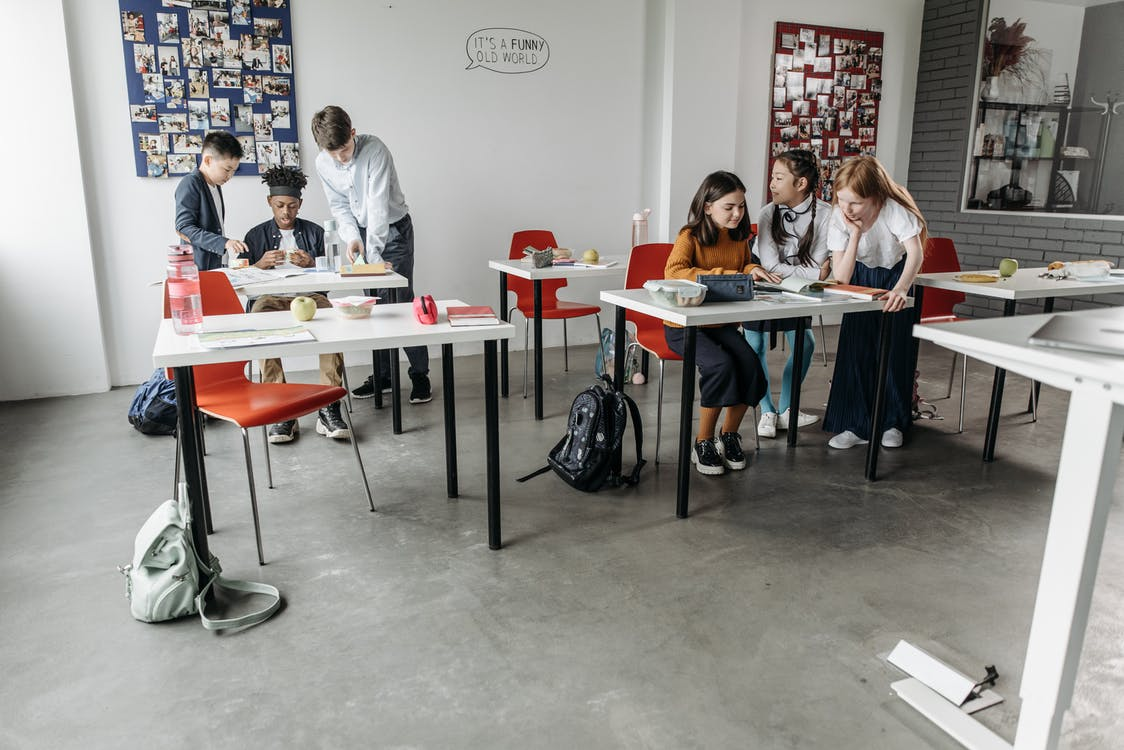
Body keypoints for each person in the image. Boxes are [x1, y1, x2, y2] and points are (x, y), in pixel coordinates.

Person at [311, 104, 431, 404]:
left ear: (353, 133)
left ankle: (419, 375)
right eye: (332, 152)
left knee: (401, 303)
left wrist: (375, 259)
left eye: (345, 148)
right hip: (363, 232)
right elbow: (339, 206)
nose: (340, 157)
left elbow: (377, 208)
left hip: (393, 230)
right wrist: (352, 238)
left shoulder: (375, 150)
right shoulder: (323, 163)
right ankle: (384, 377)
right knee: (371, 305)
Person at [664, 171, 779, 476]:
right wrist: (729, 276)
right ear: (707, 206)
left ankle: (729, 436)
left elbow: (743, 264)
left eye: (741, 206)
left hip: (722, 324)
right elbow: (674, 272)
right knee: (721, 366)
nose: (737, 213)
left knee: (751, 369)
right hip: (684, 326)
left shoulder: (740, 236)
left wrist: (753, 267)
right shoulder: (689, 235)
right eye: (729, 207)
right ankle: (703, 442)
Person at [236, 166, 351, 443]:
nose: (286, 212)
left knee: (332, 317)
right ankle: (282, 408)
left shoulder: (315, 232)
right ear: (269, 203)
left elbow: (334, 274)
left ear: (300, 204)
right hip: (270, 300)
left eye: (291, 206)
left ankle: (328, 405)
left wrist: (313, 263)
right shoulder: (255, 235)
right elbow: (243, 279)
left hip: (310, 297)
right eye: (279, 206)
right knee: (257, 317)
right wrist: (259, 265)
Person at [823, 156, 928, 450]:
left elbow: (915, 254)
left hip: (899, 275)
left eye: (855, 202)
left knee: (894, 353)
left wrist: (901, 289)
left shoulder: (893, 209)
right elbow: (841, 276)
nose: (847, 208)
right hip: (861, 277)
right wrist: (855, 233)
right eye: (842, 199)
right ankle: (856, 424)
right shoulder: (839, 216)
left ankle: (892, 422)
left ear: (875, 197)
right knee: (857, 349)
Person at [746, 150, 832, 438]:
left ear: (801, 183)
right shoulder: (768, 212)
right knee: (754, 345)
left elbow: (818, 265)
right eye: (772, 177)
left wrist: (809, 273)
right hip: (761, 280)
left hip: (798, 289)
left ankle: (786, 410)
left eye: (779, 178)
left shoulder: (827, 214)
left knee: (805, 344)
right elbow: (769, 265)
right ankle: (766, 411)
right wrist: (810, 273)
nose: (772, 183)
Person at [174, 130, 247, 270]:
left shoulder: (215, 185)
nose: (230, 176)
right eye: (227, 169)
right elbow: (184, 228)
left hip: (218, 263)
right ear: (208, 160)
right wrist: (224, 243)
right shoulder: (191, 183)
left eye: (234, 171)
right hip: (199, 268)